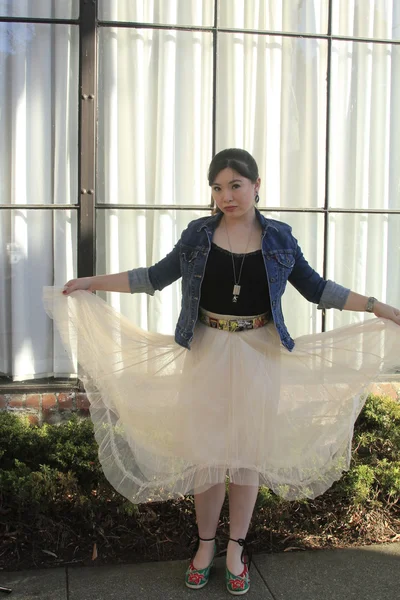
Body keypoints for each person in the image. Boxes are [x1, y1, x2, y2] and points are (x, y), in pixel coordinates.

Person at [45, 148, 400, 595]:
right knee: (208, 458)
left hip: (260, 355)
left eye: (235, 185)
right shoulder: (198, 235)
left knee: (246, 457)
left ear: (256, 185)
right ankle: (205, 545)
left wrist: (377, 306)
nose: (225, 196)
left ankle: (236, 547)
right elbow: (153, 276)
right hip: (207, 351)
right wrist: (90, 282)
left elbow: (317, 289)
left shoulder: (279, 239)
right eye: (217, 187)